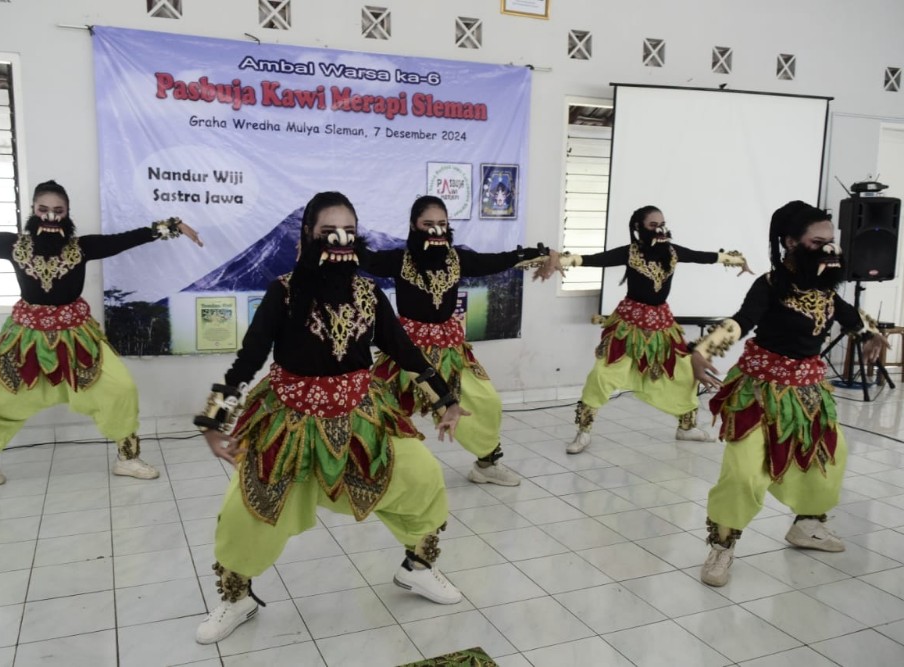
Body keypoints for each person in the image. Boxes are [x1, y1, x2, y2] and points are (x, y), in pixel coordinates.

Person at [194, 192, 467, 645]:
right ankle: (236, 596)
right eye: (328, 233)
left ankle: (418, 568)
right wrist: (212, 420)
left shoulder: (368, 292)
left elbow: (404, 351)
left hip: (361, 415)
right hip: (289, 419)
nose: (340, 242)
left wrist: (446, 399)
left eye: (348, 233)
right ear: (308, 234)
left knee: (423, 477)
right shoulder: (283, 292)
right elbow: (249, 359)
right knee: (247, 508)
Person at [0, 181, 202, 493]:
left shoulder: (82, 248)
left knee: (121, 388)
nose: (50, 217)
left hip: (77, 337)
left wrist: (172, 225)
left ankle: (127, 458)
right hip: (26, 340)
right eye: (43, 209)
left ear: (68, 213)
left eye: (58, 211)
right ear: (33, 211)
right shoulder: (13, 246)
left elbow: (125, 240)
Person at [691, 200, 888, 587]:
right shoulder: (769, 285)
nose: (830, 249)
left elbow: (852, 316)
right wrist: (703, 350)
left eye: (832, 241)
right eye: (819, 242)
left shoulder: (827, 289)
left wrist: (872, 332)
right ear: (790, 242)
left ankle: (807, 525)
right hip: (760, 391)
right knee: (745, 472)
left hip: (810, 393)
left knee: (830, 458)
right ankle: (723, 545)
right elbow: (742, 321)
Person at [360, 195, 562, 487]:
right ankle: (370, 468)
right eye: (428, 224)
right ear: (414, 226)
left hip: (451, 351)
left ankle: (486, 465)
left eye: (442, 224)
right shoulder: (399, 259)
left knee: (487, 402)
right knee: (378, 406)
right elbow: (365, 258)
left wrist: (546, 254)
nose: (436, 230)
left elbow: (500, 259)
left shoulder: (458, 259)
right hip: (406, 353)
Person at [561, 205, 752, 454]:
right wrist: (562, 260)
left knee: (685, 370)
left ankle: (686, 427)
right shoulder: (630, 253)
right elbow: (595, 259)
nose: (661, 229)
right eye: (653, 225)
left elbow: (703, 256)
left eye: (662, 223)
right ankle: (583, 432)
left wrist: (736, 260)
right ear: (639, 228)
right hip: (628, 327)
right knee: (602, 374)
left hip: (662, 326)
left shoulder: (672, 252)